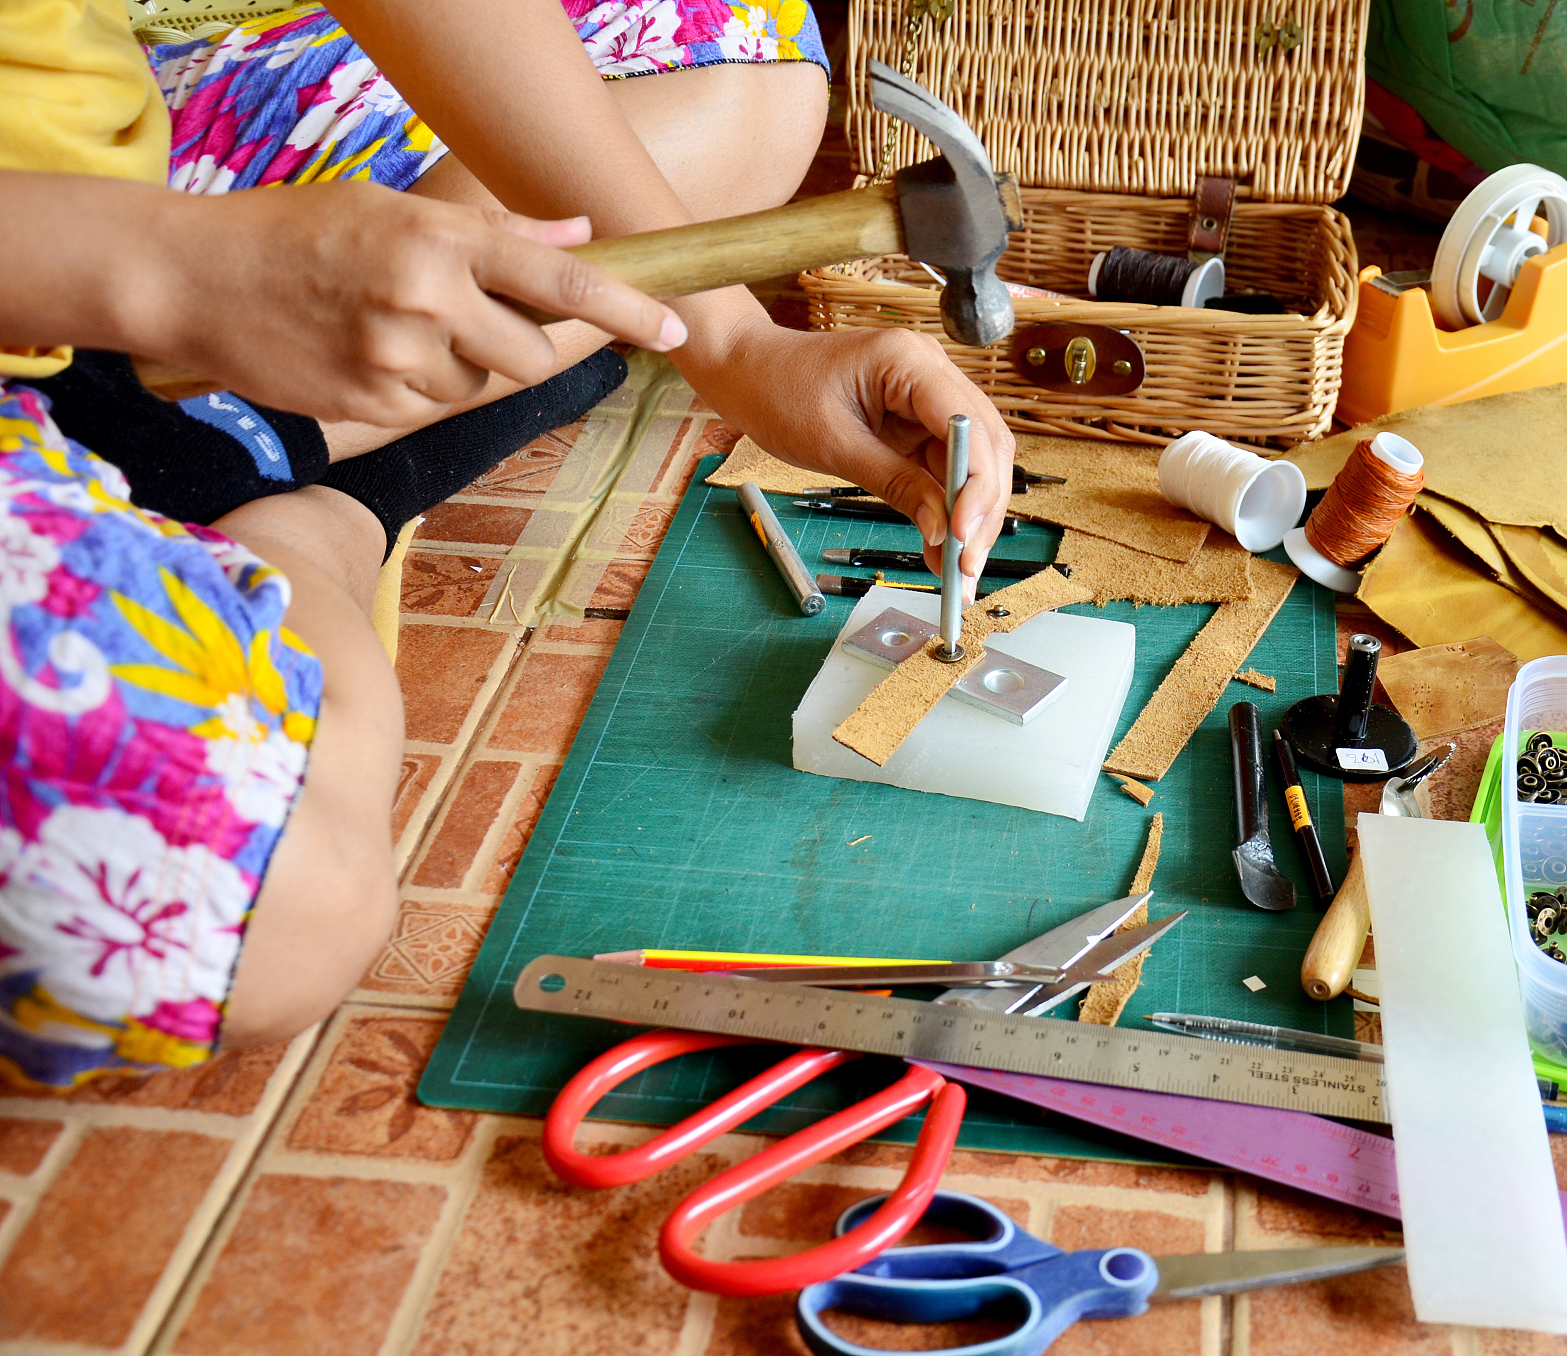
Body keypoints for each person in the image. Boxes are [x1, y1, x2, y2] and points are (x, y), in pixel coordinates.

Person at [0, 0, 1013, 1091]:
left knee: (753, 83)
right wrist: (166, 274)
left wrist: (731, 340)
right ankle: (301, 504)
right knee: (281, 917)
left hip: (99, 166)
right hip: (78, 260)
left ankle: (192, 433)